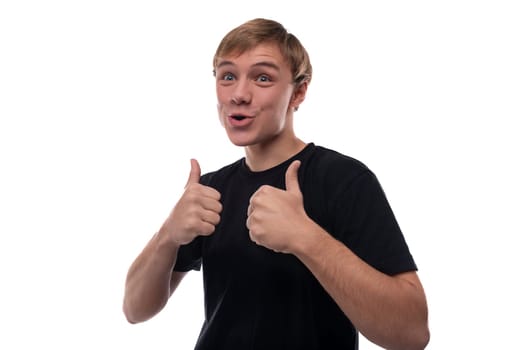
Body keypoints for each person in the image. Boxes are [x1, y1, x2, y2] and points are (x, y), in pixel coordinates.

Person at [123, 18, 430, 350]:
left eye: (263, 78)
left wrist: (306, 238)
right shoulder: (211, 189)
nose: (239, 94)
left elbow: (412, 334)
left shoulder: (343, 179)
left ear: (298, 91)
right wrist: (168, 234)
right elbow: (135, 309)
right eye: (228, 76)